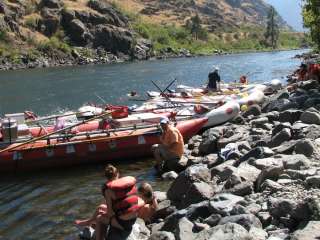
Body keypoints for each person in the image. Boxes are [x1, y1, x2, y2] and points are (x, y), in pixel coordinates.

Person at [96, 167, 140, 240]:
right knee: (102, 208)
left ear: (106, 177)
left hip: (123, 224)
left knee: (99, 218)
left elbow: (110, 213)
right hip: (134, 218)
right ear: (118, 174)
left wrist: (105, 214)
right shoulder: (128, 184)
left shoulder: (108, 190)